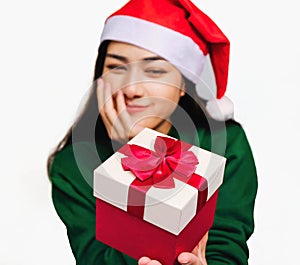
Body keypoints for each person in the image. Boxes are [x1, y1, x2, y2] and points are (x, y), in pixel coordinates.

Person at [47, 0, 258, 264]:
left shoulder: (225, 144)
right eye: (116, 67)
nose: (133, 88)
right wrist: (132, 158)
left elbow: (227, 247)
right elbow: (96, 258)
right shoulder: (73, 166)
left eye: (155, 71)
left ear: (183, 84)